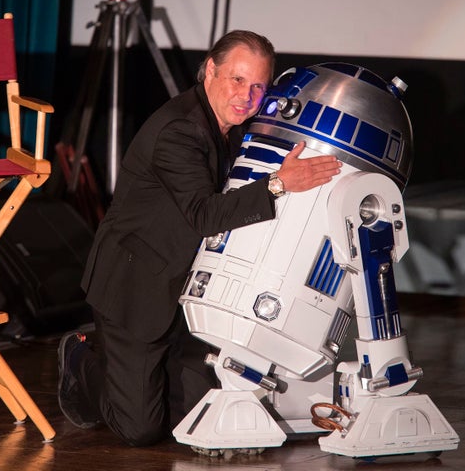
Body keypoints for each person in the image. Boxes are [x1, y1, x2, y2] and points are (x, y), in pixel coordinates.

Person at [57, 30, 342, 447]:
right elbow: (205, 215)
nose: (248, 95)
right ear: (210, 70)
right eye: (237, 80)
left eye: (259, 86)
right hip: (136, 287)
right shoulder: (180, 130)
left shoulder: (226, 128)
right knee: (142, 431)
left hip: (183, 289)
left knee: (195, 419)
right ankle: (84, 359)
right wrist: (280, 184)